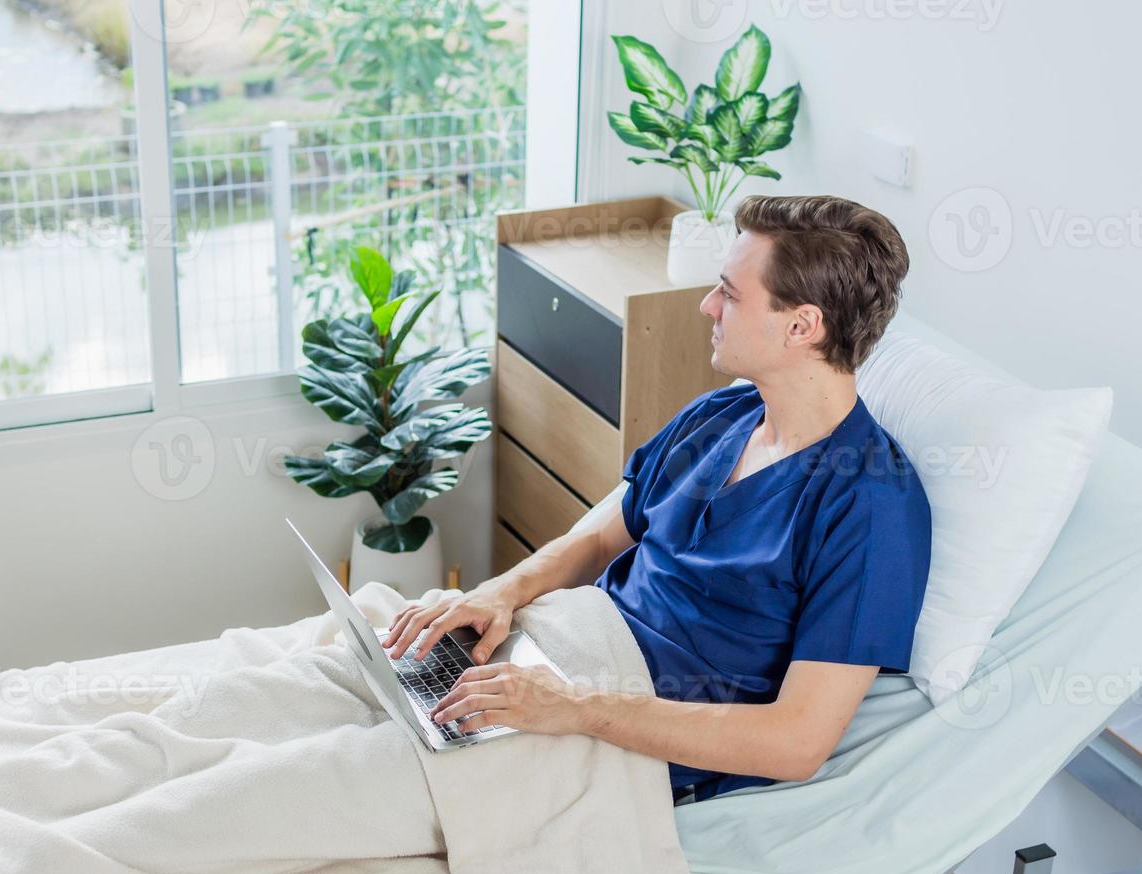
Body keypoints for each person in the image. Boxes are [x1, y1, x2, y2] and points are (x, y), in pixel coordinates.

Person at [383, 194, 932, 803]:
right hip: (555, 651)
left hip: (624, 726)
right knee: (352, 669)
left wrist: (571, 707)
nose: (707, 306)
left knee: (357, 773)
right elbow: (596, 537)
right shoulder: (721, 414)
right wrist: (500, 593)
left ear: (801, 325)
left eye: (729, 293)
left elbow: (796, 742)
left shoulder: (871, 505)